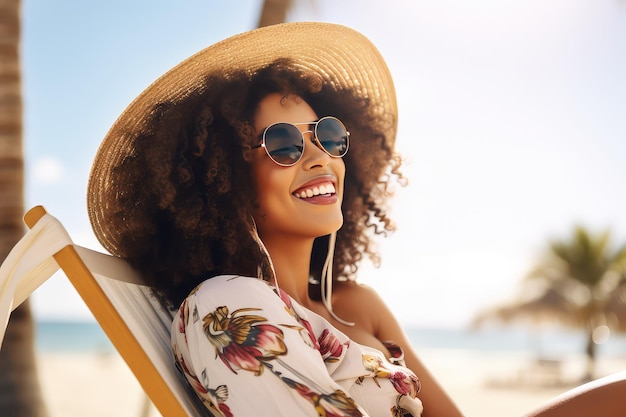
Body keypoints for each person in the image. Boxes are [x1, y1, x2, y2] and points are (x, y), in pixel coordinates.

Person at [86, 22, 625, 417]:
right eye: (283, 143)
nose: (320, 156)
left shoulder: (358, 303)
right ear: (221, 179)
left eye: (327, 135)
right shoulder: (226, 308)